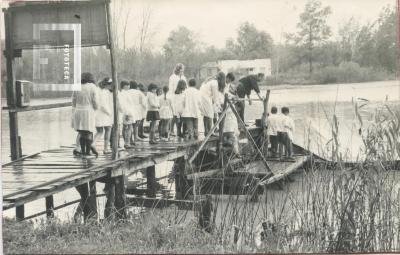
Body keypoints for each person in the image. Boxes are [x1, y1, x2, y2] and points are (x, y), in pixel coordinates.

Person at [72, 72, 99, 158]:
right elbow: (95, 102)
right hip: (88, 110)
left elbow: (73, 100)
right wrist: (96, 108)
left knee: (81, 132)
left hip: (78, 110)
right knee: (89, 131)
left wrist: (75, 108)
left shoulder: (77, 86)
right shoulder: (92, 87)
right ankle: (87, 152)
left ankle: (83, 151)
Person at [199, 72, 226, 136]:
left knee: (206, 115)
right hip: (205, 97)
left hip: (202, 96)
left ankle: (206, 131)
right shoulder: (215, 83)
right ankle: (210, 132)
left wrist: (216, 104)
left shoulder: (212, 81)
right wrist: (220, 107)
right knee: (210, 115)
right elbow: (215, 97)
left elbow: (214, 97)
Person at [93, 77, 113, 154]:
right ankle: (105, 149)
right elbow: (103, 105)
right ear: (107, 85)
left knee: (99, 131)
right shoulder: (104, 91)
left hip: (97, 113)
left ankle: (93, 143)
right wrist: (109, 113)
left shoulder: (97, 89)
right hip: (104, 113)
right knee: (108, 129)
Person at [222, 72, 240, 156]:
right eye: (229, 80)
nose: (229, 82)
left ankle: (234, 150)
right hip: (224, 103)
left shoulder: (228, 85)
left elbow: (227, 93)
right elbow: (224, 94)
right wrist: (232, 97)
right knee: (232, 135)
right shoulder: (223, 83)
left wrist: (233, 96)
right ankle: (236, 152)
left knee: (233, 135)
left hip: (227, 105)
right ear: (227, 77)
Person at [168, 63, 187, 135]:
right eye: (181, 69)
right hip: (174, 96)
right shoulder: (172, 77)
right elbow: (171, 88)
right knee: (174, 115)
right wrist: (172, 96)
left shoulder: (183, 77)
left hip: (182, 96)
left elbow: (186, 86)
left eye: (183, 69)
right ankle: (171, 130)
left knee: (181, 114)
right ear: (178, 69)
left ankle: (180, 130)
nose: (182, 71)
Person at [119, 80, 136, 148]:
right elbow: (124, 104)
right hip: (127, 111)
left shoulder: (124, 93)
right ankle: (127, 142)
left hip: (126, 111)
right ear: (124, 86)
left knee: (125, 127)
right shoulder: (124, 93)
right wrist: (126, 113)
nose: (129, 86)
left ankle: (127, 141)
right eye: (128, 85)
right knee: (129, 127)